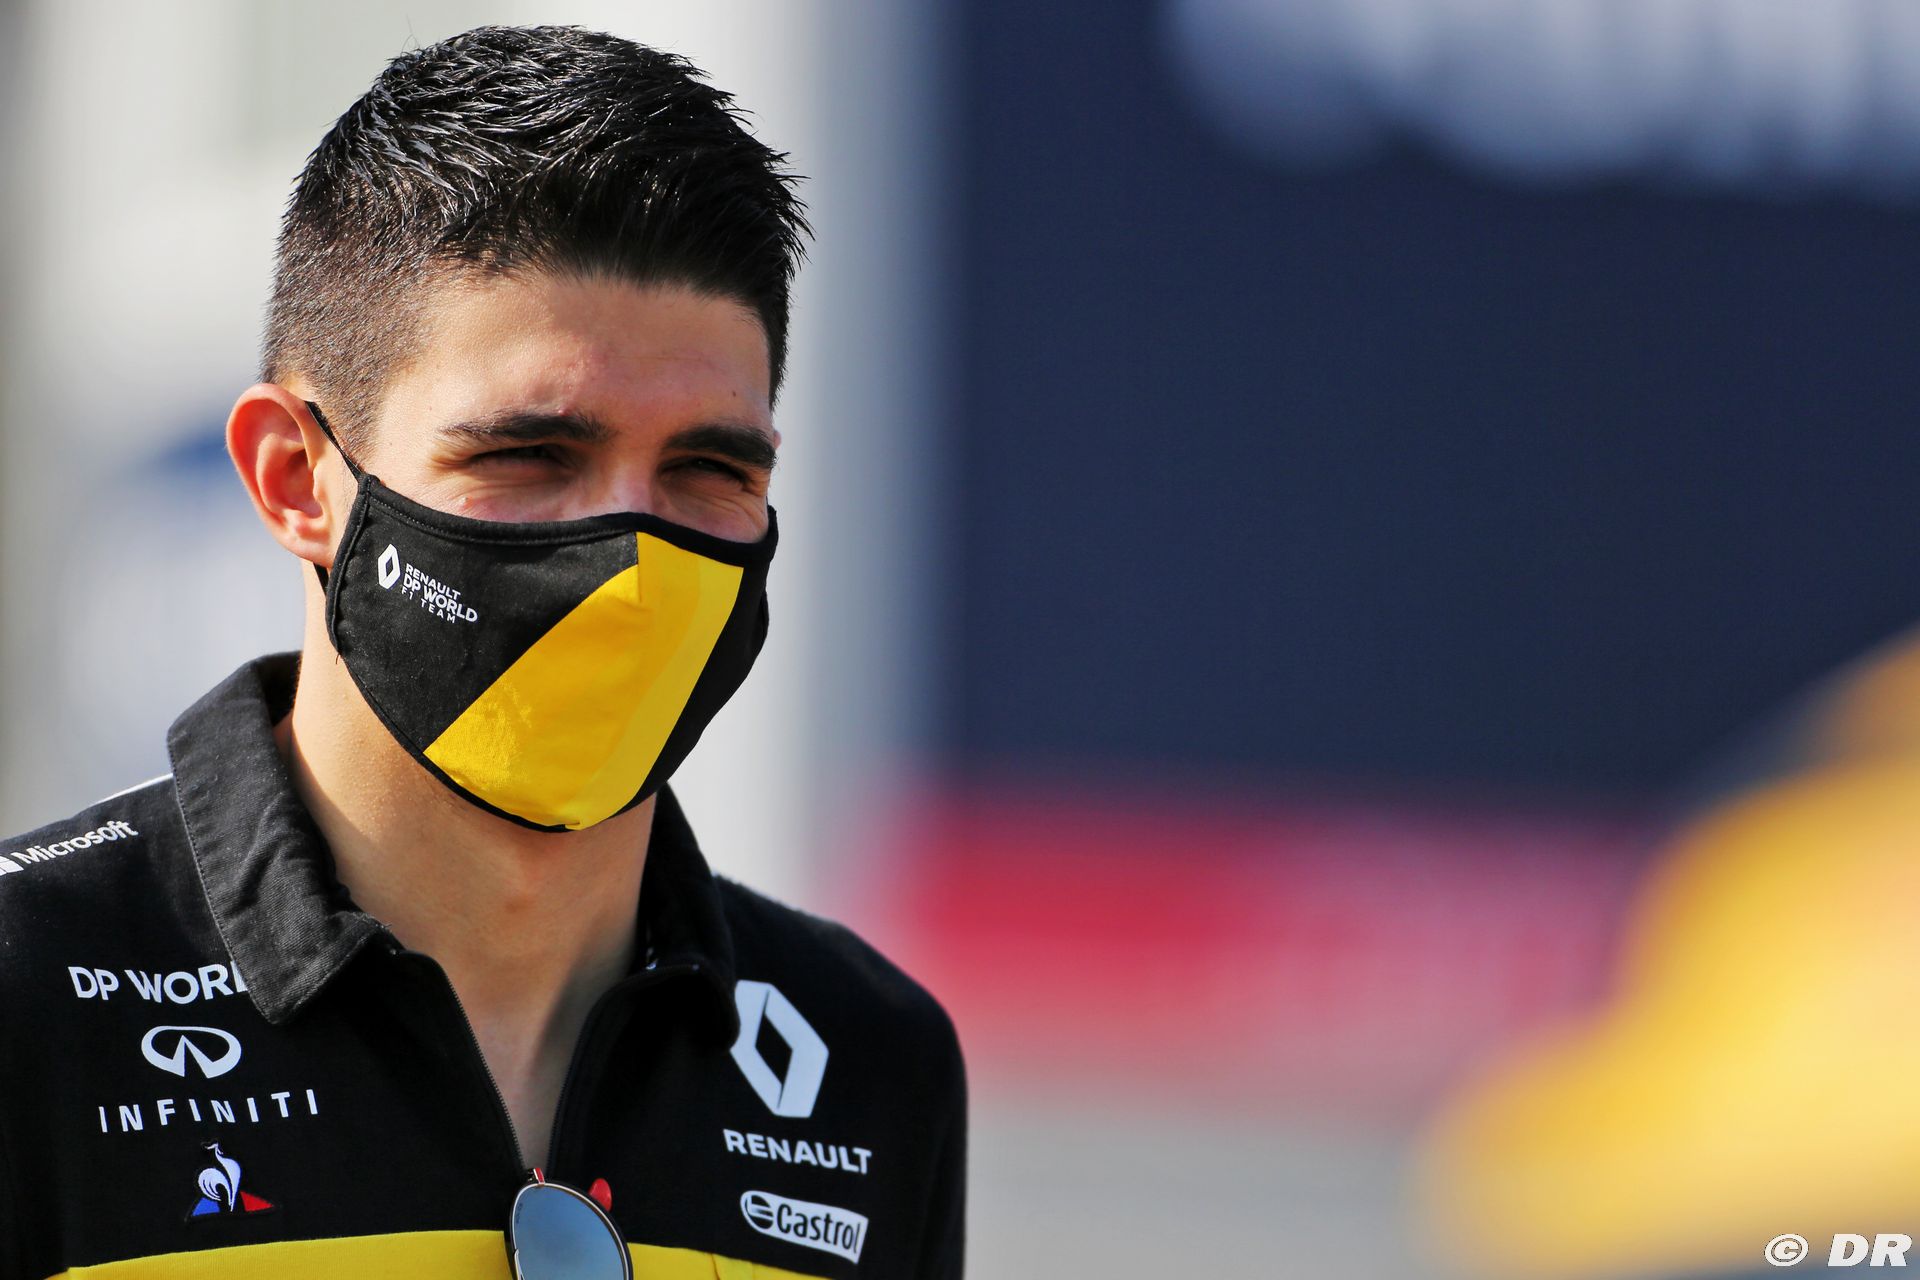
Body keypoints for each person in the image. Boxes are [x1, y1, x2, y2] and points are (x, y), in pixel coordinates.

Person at [0, 25, 965, 1280]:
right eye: (530, 455)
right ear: (295, 478)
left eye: (707, 469)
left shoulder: (873, 1060)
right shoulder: (29, 992)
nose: (632, 562)